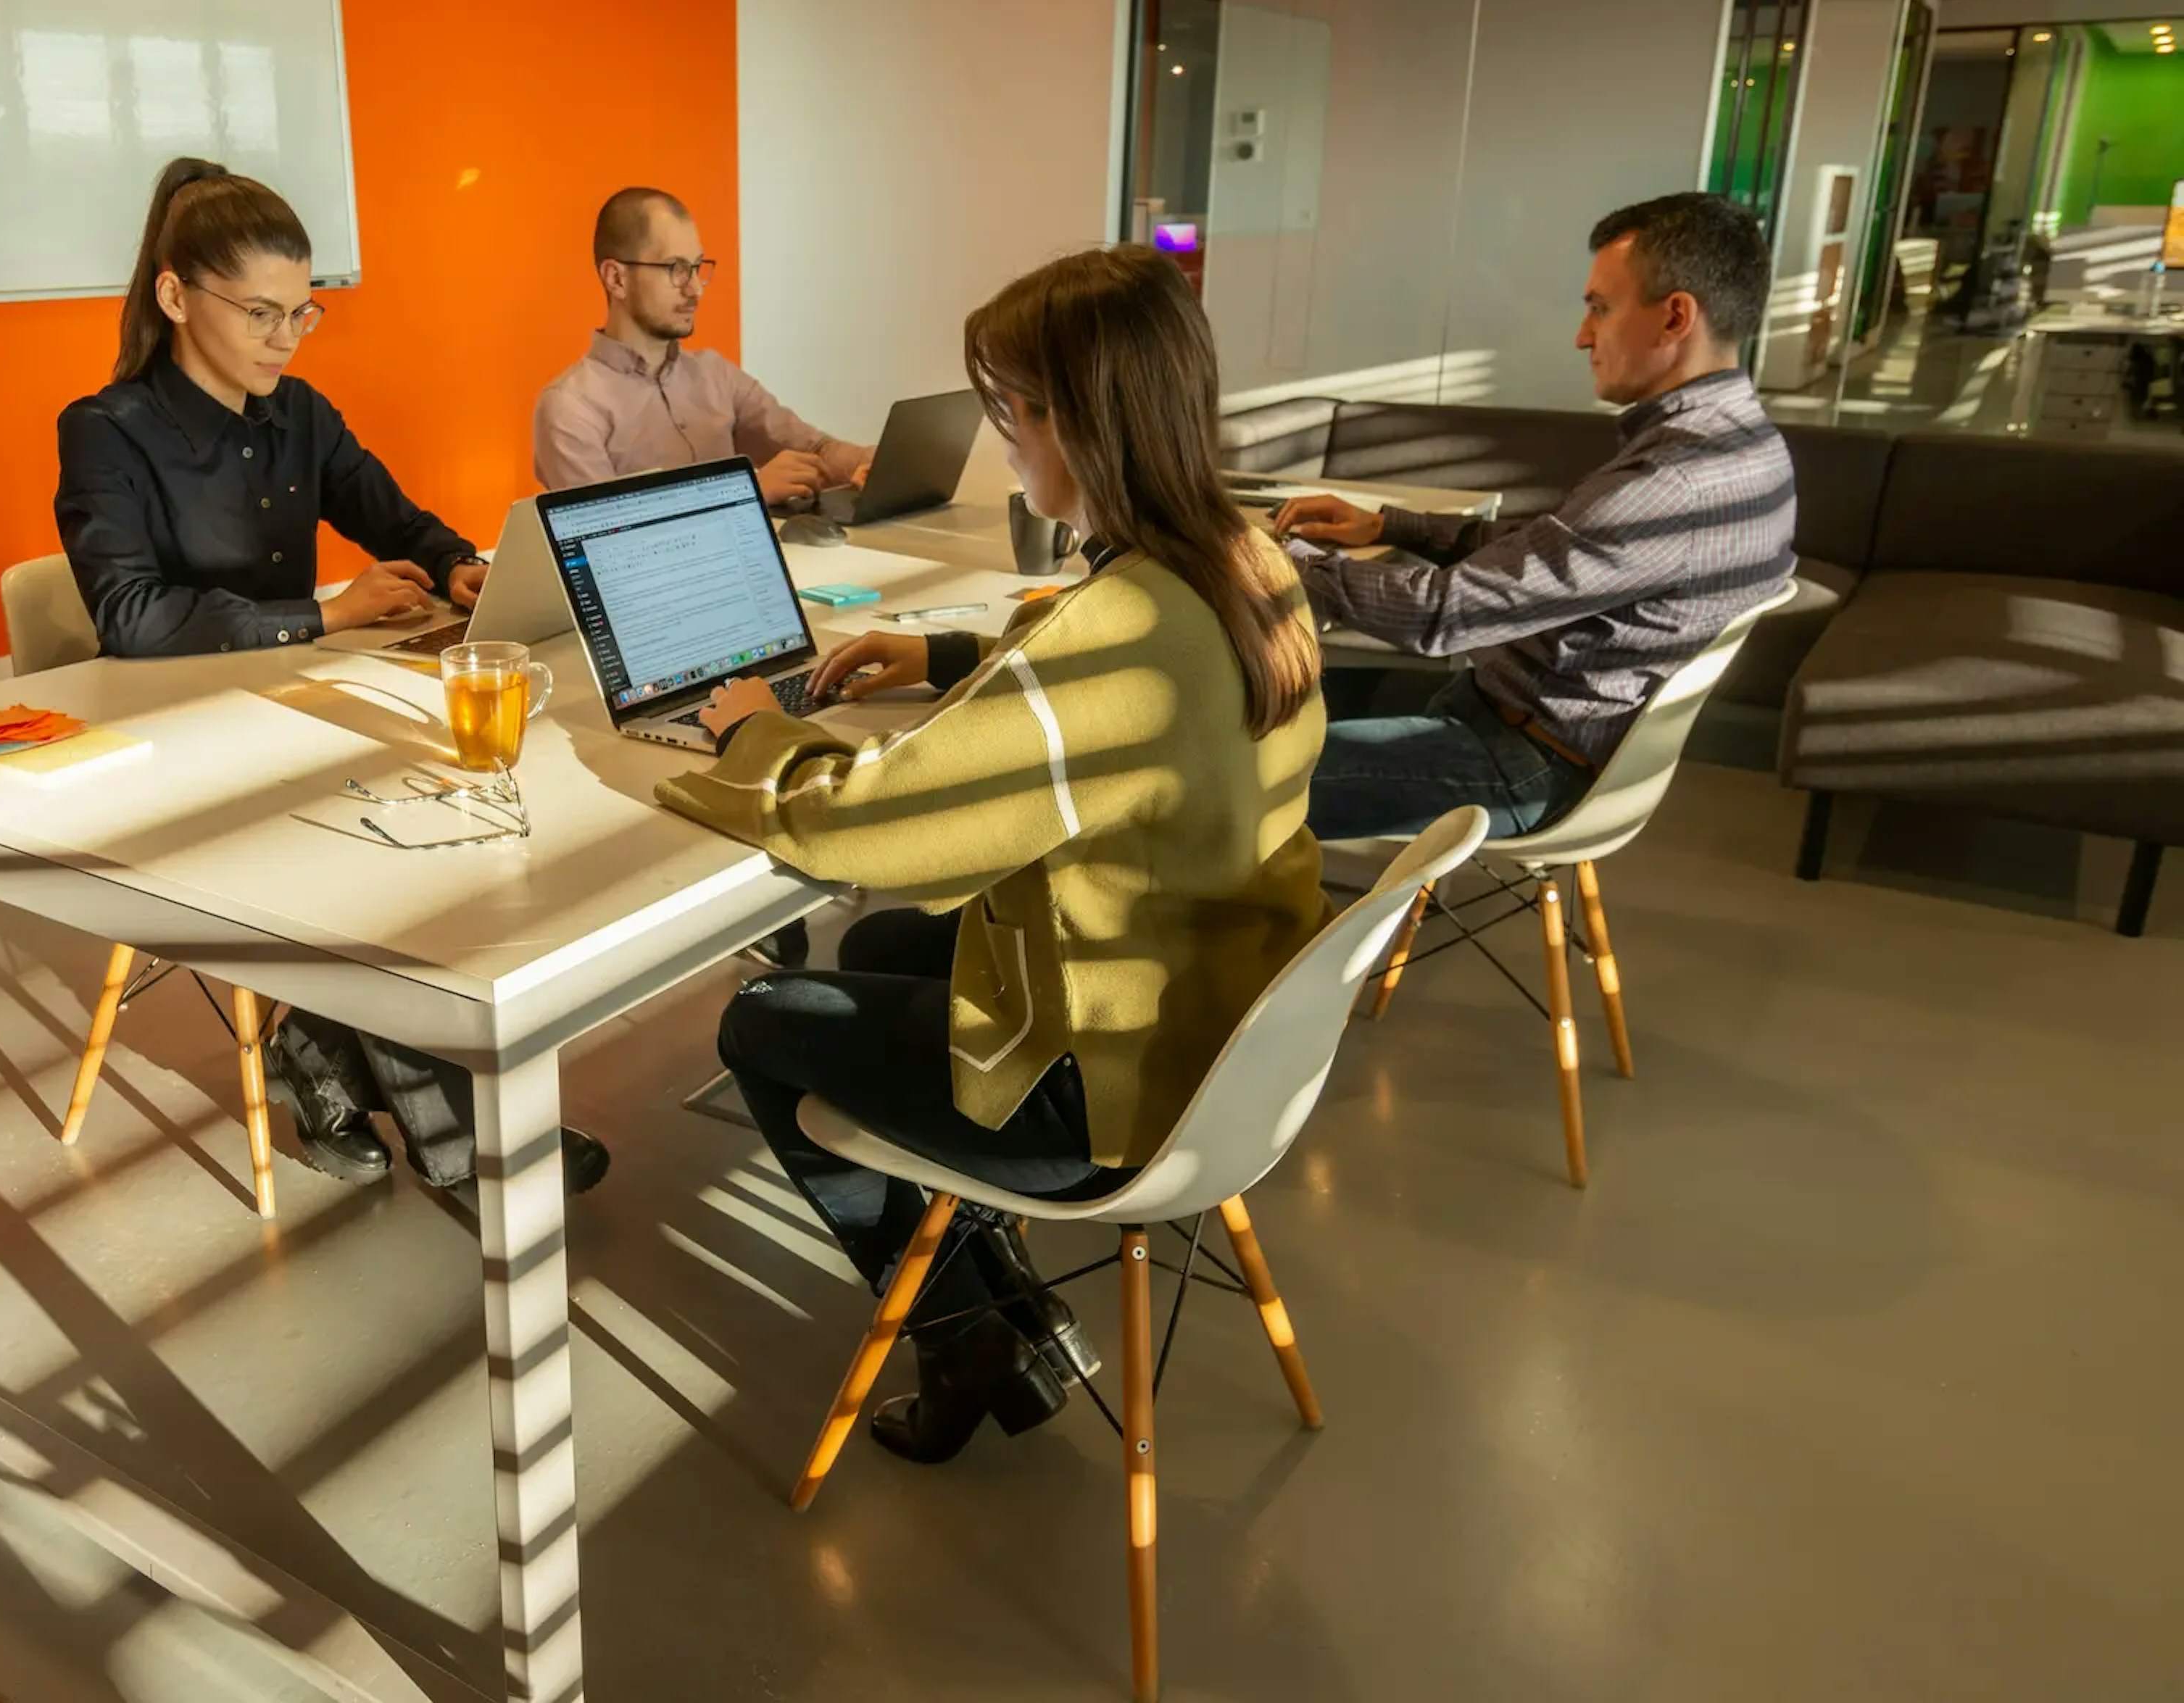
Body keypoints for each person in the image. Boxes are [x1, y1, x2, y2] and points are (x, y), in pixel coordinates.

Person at [657, 247, 1328, 1464]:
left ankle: (967, 1325)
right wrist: (952, 662)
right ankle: (1000, 1290)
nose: (1003, 441)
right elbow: (1119, 689)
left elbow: (875, 829)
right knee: (878, 948)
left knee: (763, 1016)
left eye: (1010, 410)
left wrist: (757, 730)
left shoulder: (1117, 625)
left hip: (1122, 1090)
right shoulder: (1243, 557)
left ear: (1077, 422)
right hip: (1226, 1021)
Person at [56, 156, 607, 1194]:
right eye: (262, 313)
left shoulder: (299, 412)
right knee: (385, 864)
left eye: (301, 314)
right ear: (176, 297)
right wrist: (325, 613)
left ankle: (311, 1049)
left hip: (291, 714)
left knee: (432, 826)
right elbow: (129, 619)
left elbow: (391, 516)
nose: (284, 337)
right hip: (176, 745)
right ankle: (476, 1151)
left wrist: (456, 563)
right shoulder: (105, 431)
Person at [1272, 191, 1798, 840]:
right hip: (1533, 729)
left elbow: (1443, 617)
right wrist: (1389, 527)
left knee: (1215, 785)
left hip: (1522, 761)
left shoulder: (1673, 485)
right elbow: (1550, 551)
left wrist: (1266, 557)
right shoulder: (1744, 444)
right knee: (1303, 694)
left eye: (1599, 309)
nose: (1583, 336)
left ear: (1674, 318)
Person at [532, 187, 873, 507]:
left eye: (697, 268)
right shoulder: (569, 407)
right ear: (617, 279)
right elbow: (607, 536)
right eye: (676, 269)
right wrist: (747, 490)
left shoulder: (715, 374)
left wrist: (873, 461)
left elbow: (813, 448)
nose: (696, 289)